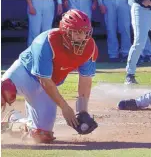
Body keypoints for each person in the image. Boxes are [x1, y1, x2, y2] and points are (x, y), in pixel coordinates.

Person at [1, 10, 98, 143]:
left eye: (85, 32)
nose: (81, 37)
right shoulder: (46, 42)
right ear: (65, 31)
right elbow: (44, 80)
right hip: (25, 73)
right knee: (4, 90)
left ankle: (13, 122)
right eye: (76, 32)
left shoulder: (90, 48)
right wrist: (64, 107)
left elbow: (85, 81)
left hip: (48, 86)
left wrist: (82, 111)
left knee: (41, 135)